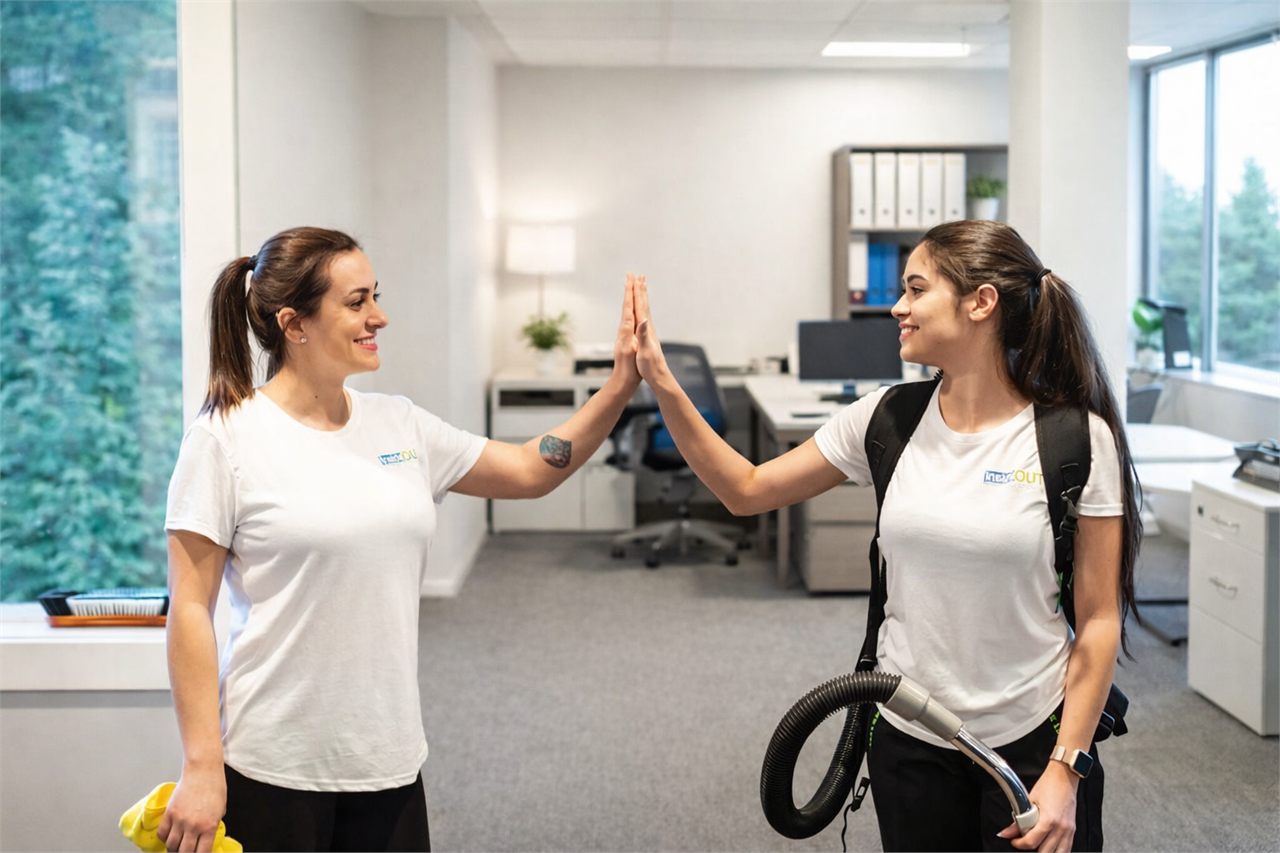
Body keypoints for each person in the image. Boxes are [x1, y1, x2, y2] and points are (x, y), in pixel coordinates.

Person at [630, 220, 1139, 853]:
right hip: (909, 732)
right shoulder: (885, 417)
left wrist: (1067, 769)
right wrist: (660, 378)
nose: (897, 306)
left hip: (1032, 736)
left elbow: (1097, 622)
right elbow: (747, 489)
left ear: (981, 302)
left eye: (916, 289)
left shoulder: (1075, 438)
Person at [159, 226, 644, 853]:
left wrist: (617, 388)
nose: (378, 317)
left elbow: (530, 469)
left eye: (375, 298)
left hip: (386, 756)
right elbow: (190, 608)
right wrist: (201, 765)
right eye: (357, 302)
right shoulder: (224, 439)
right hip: (273, 763)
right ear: (294, 323)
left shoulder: (399, 423)